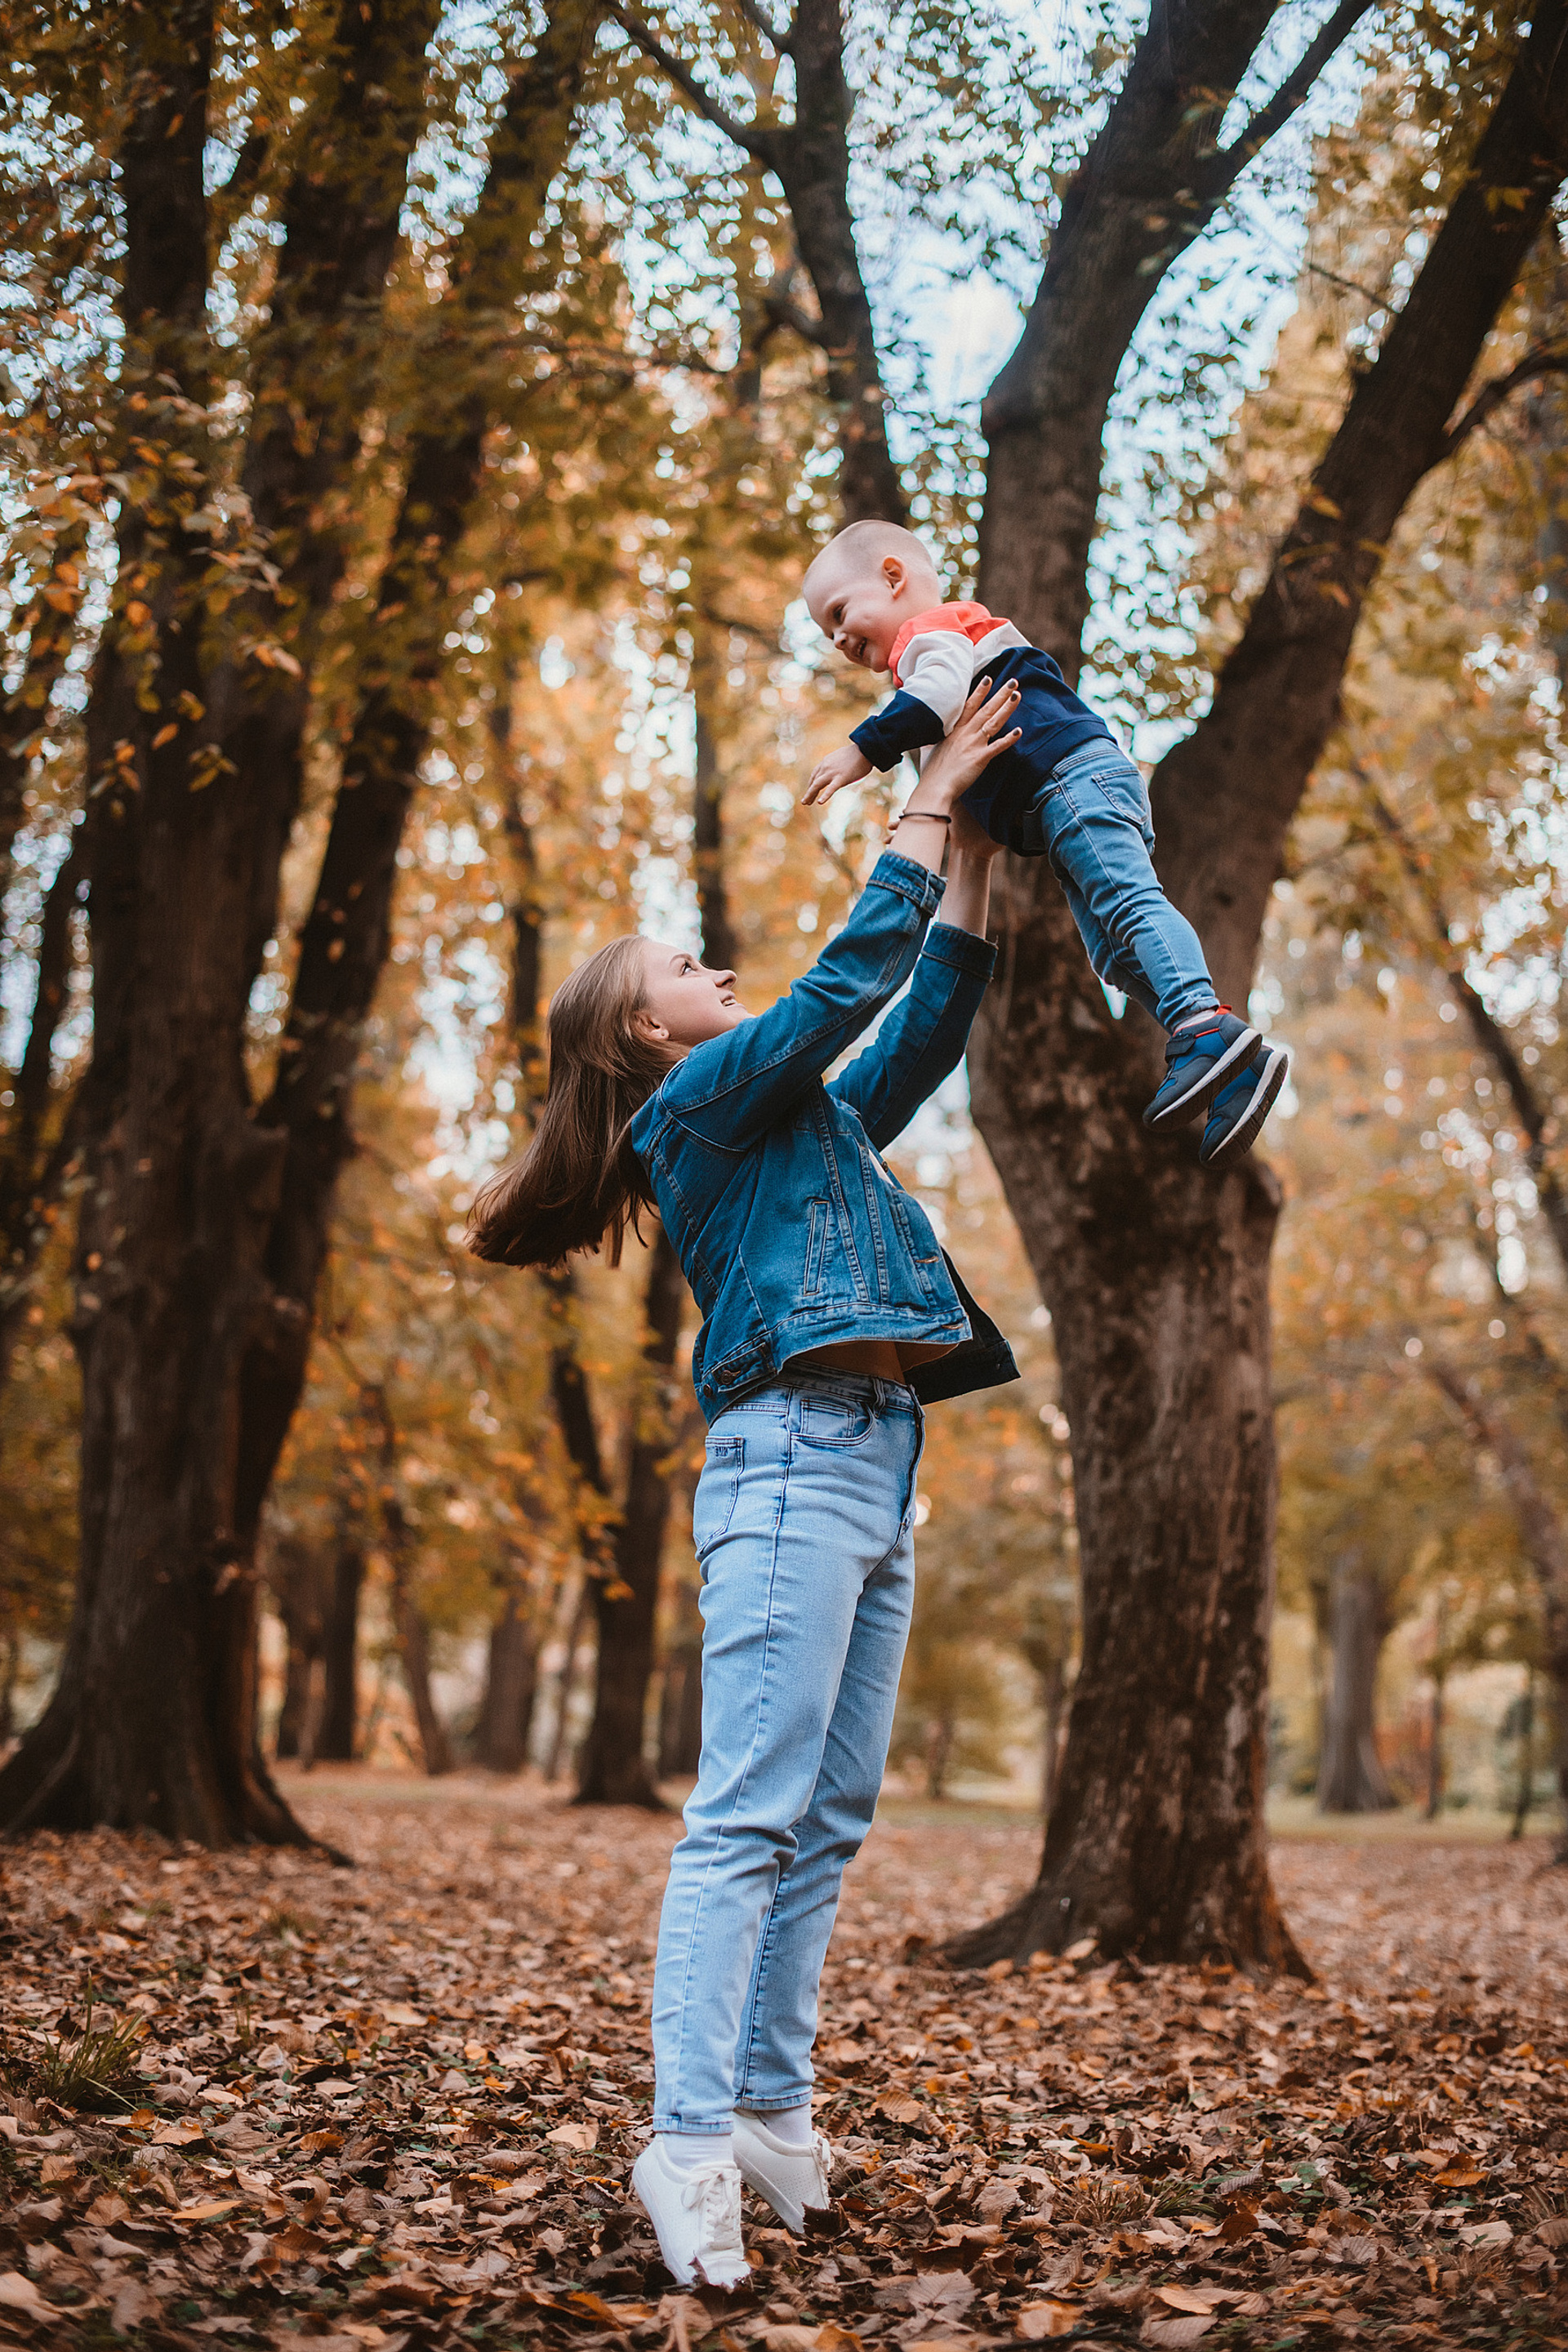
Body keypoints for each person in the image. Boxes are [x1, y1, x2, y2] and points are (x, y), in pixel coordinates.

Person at [467, 684, 1022, 2290]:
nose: (715, 974)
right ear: (650, 1035)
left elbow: (916, 1020)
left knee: (830, 1817)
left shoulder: (792, 1120)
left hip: (876, 1459)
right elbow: (852, 977)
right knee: (743, 1822)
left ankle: (775, 2112)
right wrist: (922, 804)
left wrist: (972, 849)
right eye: (685, 973)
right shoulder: (696, 1108)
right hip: (788, 1460)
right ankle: (690, 2138)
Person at [800, 519, 1290, 1170]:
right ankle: (1236, 1061)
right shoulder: (926, 665)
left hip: (1074, 780)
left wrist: (863, 748)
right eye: (825, 633)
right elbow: (949, 759)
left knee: (1127, 905)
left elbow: (938, 697)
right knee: (1113, 956)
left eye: (839, 614)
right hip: (1068, 798)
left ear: (893, 578)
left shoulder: (933, 635)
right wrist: (930, 818)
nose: (837, 639)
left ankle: (1200, 1019)